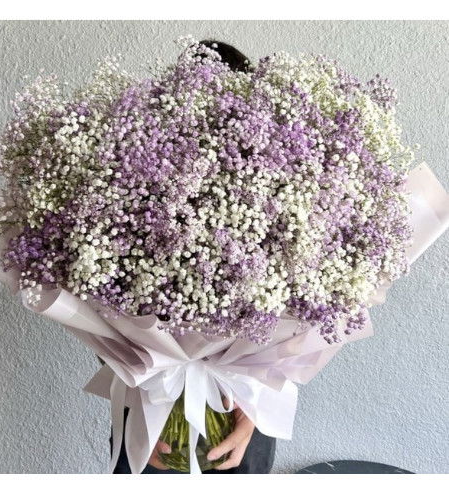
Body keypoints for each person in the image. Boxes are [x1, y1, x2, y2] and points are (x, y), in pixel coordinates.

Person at [110, 40, 277, 474]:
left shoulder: (273, 194)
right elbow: (101, 309)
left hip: (242, 411)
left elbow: (291, 334)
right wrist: (148, 405)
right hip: (153, 404)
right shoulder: (137, 188)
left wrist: (254, 413)